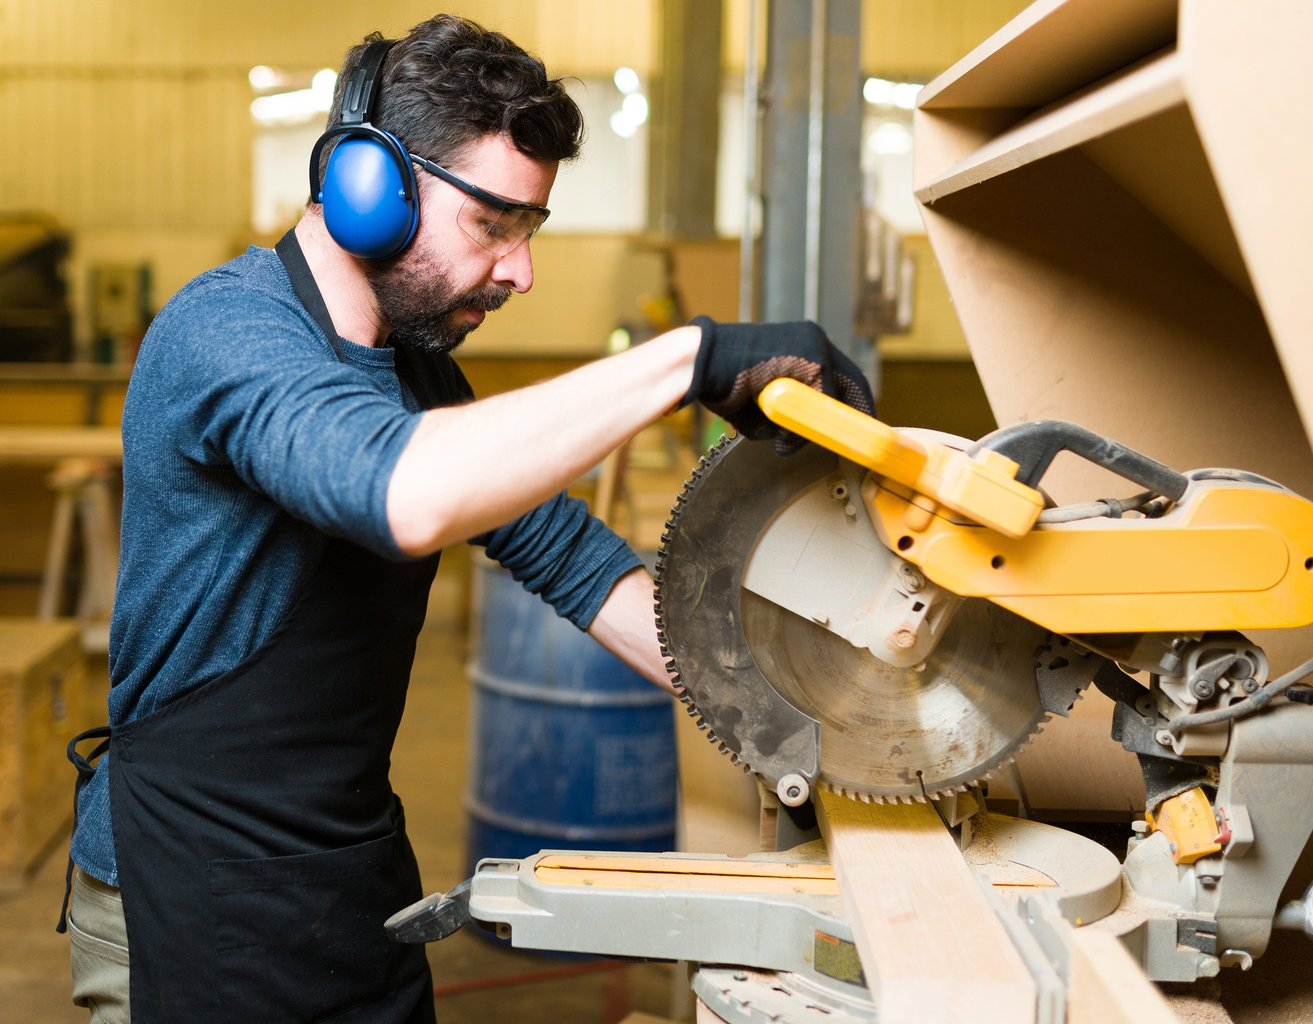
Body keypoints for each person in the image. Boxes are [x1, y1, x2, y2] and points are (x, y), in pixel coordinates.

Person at [60, 14, 874, 1024]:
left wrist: (818, 707)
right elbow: (401, 491)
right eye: (492, 226)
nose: (518, 272)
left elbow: (574, 560)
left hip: (346, 882)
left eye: (527, 232)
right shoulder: (225, 331)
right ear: (369, 190)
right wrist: (688, 358)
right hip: (185, 891)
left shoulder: (418, 375)